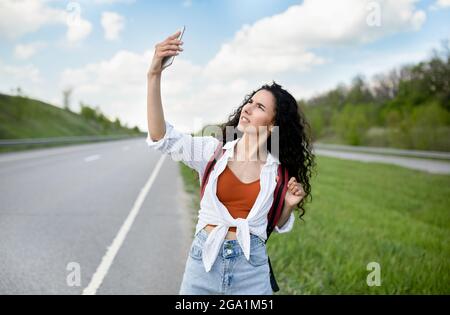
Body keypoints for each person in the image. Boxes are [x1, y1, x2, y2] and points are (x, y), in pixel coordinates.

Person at [146, 30, 315, 295]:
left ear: (273, 126)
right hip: (204, 264)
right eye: (249, 102)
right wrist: (154, 74)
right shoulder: (212, 153)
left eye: (259, 107)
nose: (247, 108)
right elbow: (162, 137)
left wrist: (289, 207)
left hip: (252, 270)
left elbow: (276, 224)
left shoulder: (278, 173)